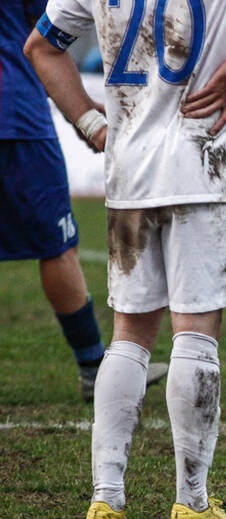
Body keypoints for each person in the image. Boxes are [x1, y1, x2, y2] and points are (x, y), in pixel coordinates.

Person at [25, 0, 226, 519]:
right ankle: (192, 502)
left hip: (130, 171)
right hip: (207, 166)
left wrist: (91, 124)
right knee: (196, 333)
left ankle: (106, 499)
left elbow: (41, 47)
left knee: (129, 336)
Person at [1, 0, 167, 403]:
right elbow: (45, 36)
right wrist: (79, 114)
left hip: (15, 112)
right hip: (14, 116)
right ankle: (93, 366)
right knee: (57, 245)